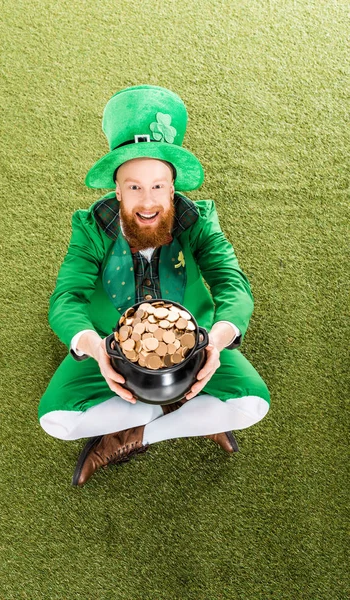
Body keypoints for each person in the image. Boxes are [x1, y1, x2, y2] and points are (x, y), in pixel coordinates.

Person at [38, 85, 270, 486]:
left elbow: (233, 285)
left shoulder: (200, 222)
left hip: (195, 347)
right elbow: (66, 299)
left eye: (159, 186)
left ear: (174, 188)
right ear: (117, 190)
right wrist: (95, 347)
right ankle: (191, 415)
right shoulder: (90, 228)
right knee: (56, 420)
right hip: (114, 348)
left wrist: (215, 341)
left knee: (253, 405)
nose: (148, 202)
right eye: (134, 187)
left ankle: (136, 433)